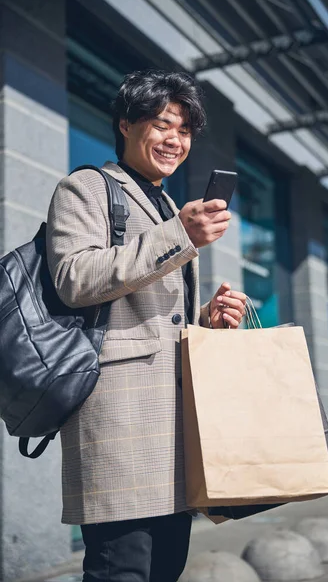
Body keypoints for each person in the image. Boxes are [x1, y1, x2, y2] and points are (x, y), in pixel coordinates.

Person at [46, 70, 246, 582]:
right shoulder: (86, 188)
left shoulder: (167, 205)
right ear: (126, 124)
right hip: (119, 419)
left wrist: (209, 322)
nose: (174, 140)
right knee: (122, 569)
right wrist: (180, 234)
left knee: (165, 567)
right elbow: (74, 277)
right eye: (162, 124)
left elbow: (158, 317)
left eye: (183, 131)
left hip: (173, 427)